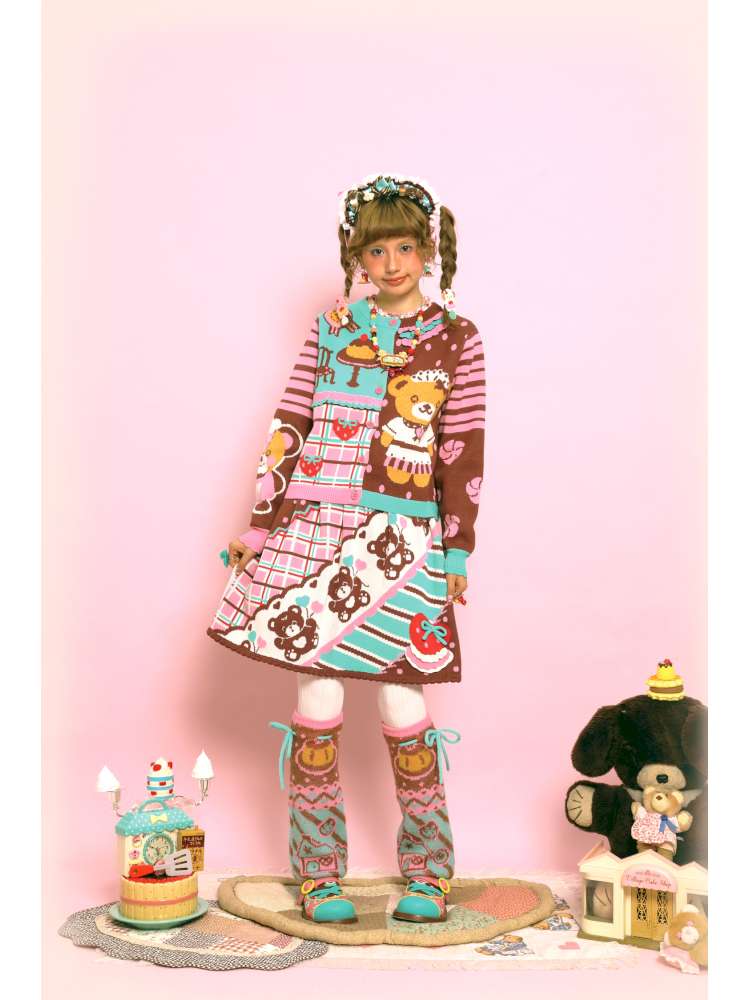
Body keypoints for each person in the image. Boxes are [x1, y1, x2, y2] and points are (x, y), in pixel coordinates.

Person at [208, 173, 485, 925]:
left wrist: (456, 550)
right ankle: (318, 875)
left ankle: (429, 872)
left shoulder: (458, 337)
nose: (391, 264)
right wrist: (260, 523)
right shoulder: (331, 329)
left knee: (403, 701)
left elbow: (461, 447)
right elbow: (291, 422)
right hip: (315, 528)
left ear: (428, 250)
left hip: (404, 537)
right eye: (375, 250)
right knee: (317, 701)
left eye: (405, 248)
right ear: (355, 255)